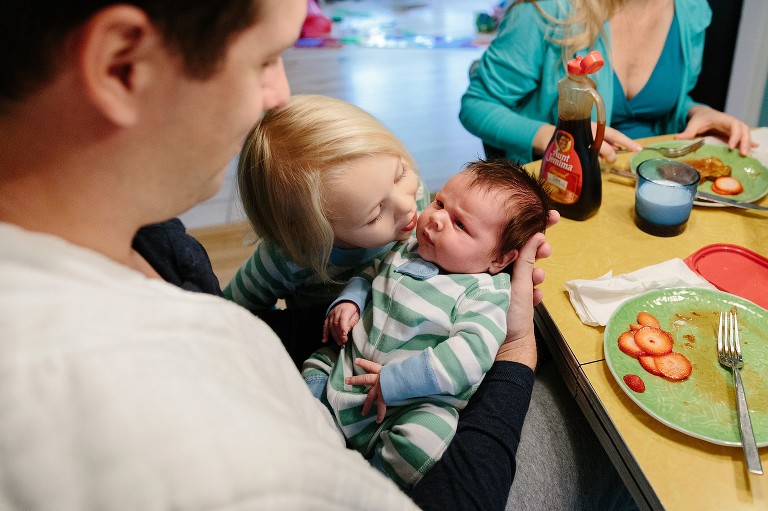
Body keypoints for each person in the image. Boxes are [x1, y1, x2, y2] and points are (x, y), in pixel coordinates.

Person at [0, 1, 593, 510]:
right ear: (122, 64)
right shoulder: (167, 431)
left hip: (351, 386)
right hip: (398, 433)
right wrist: (516, 353)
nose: (278, 97)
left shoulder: (144, 240)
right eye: (264, 59)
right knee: (604, 446)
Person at [304, 160, 550, 489]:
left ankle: (370, 484)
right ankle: (311, 436)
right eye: (439, 202)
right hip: (345, 372)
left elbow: (470, 357)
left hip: (409, 405)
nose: (435, 218)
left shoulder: (485, 294)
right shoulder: (408, 250)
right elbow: (371, 272)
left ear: (500, 259)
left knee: (430, 436)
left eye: (460, 224)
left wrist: (398, 381)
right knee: (315, 364)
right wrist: (349, 301)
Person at [459, 0, 754, 166]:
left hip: (646, 176)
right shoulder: (548, 10)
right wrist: (561, 137)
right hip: (561, 187)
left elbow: (655, 103)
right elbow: (476, 106)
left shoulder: (692, 11)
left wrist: (694, 111)